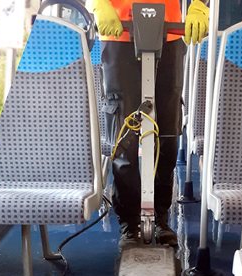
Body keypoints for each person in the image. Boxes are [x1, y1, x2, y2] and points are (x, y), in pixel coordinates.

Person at [88, 0, 209, 249]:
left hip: (170, 33)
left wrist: (199, 3)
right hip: (118, 31)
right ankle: (130, 224)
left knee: (166, 132)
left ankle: (161, 220)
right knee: (125, 136)